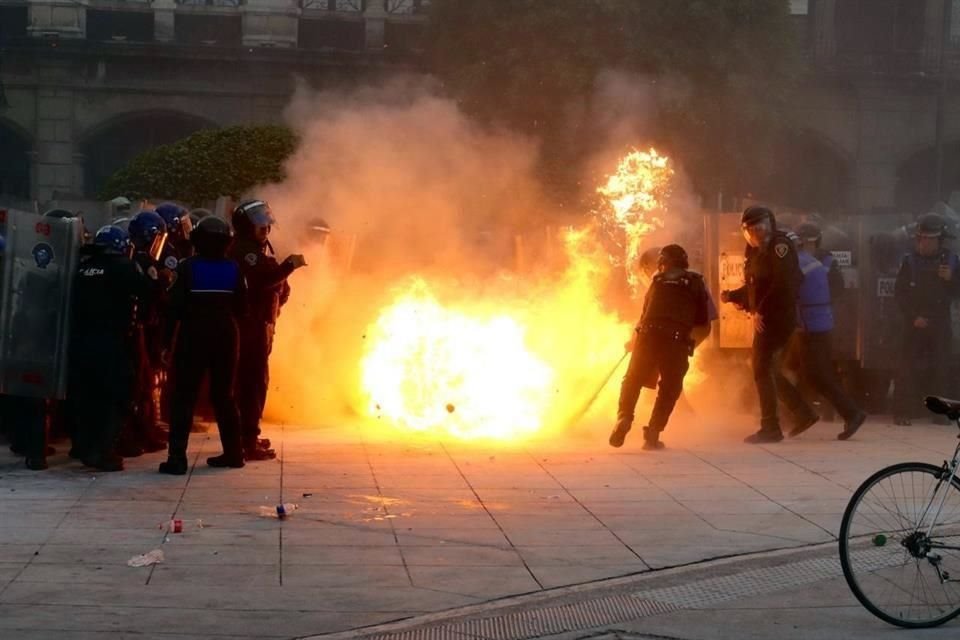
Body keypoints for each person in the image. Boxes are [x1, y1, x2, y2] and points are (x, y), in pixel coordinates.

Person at [722, 206, 819, 444]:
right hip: (767, 317)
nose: (757, 233)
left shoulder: (779, 246)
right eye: (751, 230)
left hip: (776, 317)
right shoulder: (757, 252)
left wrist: (761, 310)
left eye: (761, 227)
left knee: (761, 368)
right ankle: (802, 413)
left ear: (771, 225)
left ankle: (771, 427)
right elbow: (757, 286)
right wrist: (733, 296)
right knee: (766, 369)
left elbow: (782, 284)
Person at [159, 217, 246, 475]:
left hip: (193, 335)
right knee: (224, 396)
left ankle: (177, 459)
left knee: (184, 396)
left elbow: (173, 308)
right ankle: (234, 454)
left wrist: (165, 343)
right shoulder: (235, 269)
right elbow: (243, 308)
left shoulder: (187, 267)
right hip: (227, 335)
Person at [609, 244, 715, 450]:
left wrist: (634, 341)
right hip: (675, 340)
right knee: (669, 387)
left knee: (632, 379)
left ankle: (624, 417)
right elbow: (704, 325)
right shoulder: (696, 282)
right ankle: (653, 432)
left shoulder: (656, 282)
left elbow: (643, 318)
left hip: (646, 336)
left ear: (663, 264)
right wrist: (688, 347)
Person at [230, 200, 306, 461]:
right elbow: (262, 281)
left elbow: (276, 286)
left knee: (255, 382)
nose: (266, 230)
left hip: (260, 325)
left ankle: (248, 435)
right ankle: (247, 440)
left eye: (266, 226)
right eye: (260, 226)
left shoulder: (255, 250)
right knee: (252, 383)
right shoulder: (244, 252)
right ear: (246, 226)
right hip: (249, 327)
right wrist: (289, 266)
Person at [69, 225, 149, 471]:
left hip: (79, 342)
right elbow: (147, 292)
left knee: (85, 397)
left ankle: (82, 446)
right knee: (117, 396)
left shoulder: (82, 267)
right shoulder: (124, 266)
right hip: (110, 342)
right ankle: (103, 451)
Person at [788, 222, 868, 440]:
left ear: (816, 242)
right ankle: (803, 414)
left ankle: (850, 413)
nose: (805, 246)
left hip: (817, 324)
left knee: (819, 374)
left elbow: (835, 289)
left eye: (808, 242)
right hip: (805, 324)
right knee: (808, 372)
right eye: (802, 243)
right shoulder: (802, 261)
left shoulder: (825, 262)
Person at [893, 212, 960, 426]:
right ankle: (902, 412)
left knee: (941, 367)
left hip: (940, 321)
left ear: (940, 240)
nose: (925, 243)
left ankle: (939, 414)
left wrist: (951, 279)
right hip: (914, 321)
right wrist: (913, 316)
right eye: (921, 238)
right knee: (906, 367)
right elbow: (900, 293)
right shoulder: (909, 261)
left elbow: (956, 292)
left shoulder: (952, 261)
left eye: (930, 239)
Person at [127, 210, 170, 453]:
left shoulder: (129, 258)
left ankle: (144, 430)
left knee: (143, 383)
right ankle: (140, 433)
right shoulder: (145, 263)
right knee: (143, 384)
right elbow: (153, 295)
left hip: (134, 328)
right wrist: (163, 282)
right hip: (142, 329)